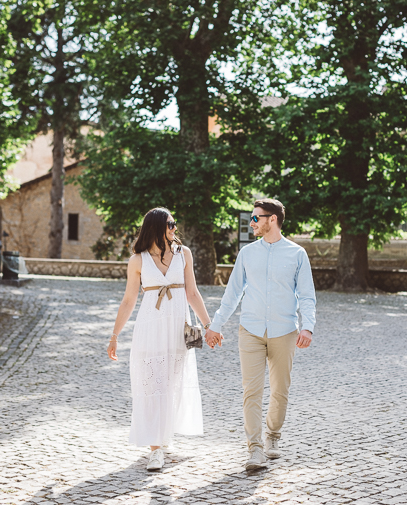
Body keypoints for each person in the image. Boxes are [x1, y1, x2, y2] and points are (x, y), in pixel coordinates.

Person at [205, 198, 316, 470]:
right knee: (251, 392)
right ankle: (254, 449)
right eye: (252, 218)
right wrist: (216, 324)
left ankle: (273, 436)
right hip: (251, 330)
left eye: (256, 218)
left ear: (273, 219)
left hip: (285, 331)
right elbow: (232, 294)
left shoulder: (297, 254)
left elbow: (306, 295)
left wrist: (308, 326)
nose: (252, 223)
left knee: (280, 391)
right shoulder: (247, 254)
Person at [107, 207, 218, 471]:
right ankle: (155, 448)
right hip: (150, 328)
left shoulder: (184, 254)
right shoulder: (138, 260)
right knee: (150, 385)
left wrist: (208, 326)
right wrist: (114, 335)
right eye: (170, 224)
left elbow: (192, 293)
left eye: (174, 224)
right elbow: (128, 300)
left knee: (172, 383)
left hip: (178, 327)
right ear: (156, 227)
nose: (174, 228)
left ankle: (163, 434)